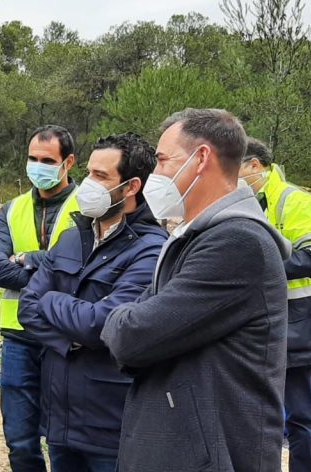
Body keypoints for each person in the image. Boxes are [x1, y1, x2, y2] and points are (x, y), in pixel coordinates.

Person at [100, 108, 291, 472]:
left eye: (161, 160)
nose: (155, 174)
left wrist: (119, 320)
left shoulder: (237, 243)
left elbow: (131, 336)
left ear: (201, 158)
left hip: (210, 456)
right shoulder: (197, 237)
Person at [18, 132, 167, 471]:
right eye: (89, 173)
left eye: (101, 177)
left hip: (110, 423)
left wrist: (53, 299)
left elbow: (102, 324)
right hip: (60, 420)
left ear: (131, 187)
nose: (88, 184)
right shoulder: (72, 238)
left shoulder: (151, 249)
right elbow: (28, 305)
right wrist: (69, 341)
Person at [239, 137, 311, 472]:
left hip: (300, 324)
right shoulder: (246, 202)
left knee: (300, 415)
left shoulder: (296, 201)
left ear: (255, 165)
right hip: (261, 324)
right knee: (257, 413)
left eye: (235, 166)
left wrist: (260, 269)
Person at [0, 124, 79, 472]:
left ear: (68, 162)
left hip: (68, 339)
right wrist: (53, 269)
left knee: (65, 441)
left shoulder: (89, 207)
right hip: (19, 339)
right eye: (32, 158)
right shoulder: (11, 210)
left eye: (47, 160)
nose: (38, 166)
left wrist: (29, 259)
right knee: (21, 442)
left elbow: (83, 269)